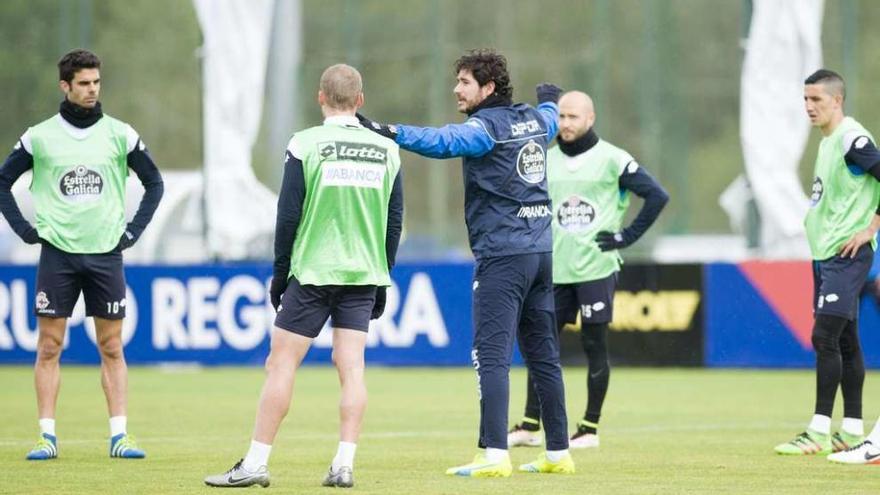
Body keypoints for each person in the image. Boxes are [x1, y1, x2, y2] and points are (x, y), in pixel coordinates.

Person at [358, 48, 574, 477]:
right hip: (541, 253)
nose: (456, 89)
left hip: (503, 257)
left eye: (464, 82)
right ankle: (558, 454)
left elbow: (443, 141)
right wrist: (550, 98)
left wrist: (390, 131)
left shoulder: (484, 129)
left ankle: (494, 454)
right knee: (543, 356)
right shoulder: (533, 119)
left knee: (490, 356)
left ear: (488, 88)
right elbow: (551, 119)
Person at [204, 63, 403, 488]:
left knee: (281, 364)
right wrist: (384, 273)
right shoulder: (386, 148)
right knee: (352, 369)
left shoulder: (305, 143)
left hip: (313, 271)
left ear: (320, 97)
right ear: (361, 101)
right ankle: (344, 464)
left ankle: (256, 463)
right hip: (363, 273)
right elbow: (394, 219)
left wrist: (280, 275)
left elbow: (288, 214)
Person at [0, 49, 163, 461]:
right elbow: (3, 182)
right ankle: (46, 437)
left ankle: (120, 436)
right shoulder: (39, 136)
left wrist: (133, 231)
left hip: (106, 255)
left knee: (111, 347)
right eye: (84, 84)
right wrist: (24, 230)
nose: (92, 90)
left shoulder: (120, 134)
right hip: (58, 256)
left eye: (96, 83)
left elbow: (154, 183)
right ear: (65, 87)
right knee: (49, 346)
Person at [507, 91, 668, 450]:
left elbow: (657, 195)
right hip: (554, 271)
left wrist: (626, 237)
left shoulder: (613, 159)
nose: (565, 124)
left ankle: (589, 429)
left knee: (595, 346)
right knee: (540, 346)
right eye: (561, 117)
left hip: (596, 269)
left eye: (573, 117)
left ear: (590, 119)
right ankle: (531, 425)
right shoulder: (544, 160)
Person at [774, 69, 880, 457]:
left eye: (816, 99)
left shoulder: (852, 139)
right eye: (805, 99)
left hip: (846, 255)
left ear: (837, 100)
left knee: (824, 337)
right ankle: (852, 429)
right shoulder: (829, 141)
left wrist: (871, 227)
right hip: (826, 255)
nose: (808, 106)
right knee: (847, 340)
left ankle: (819, 429)